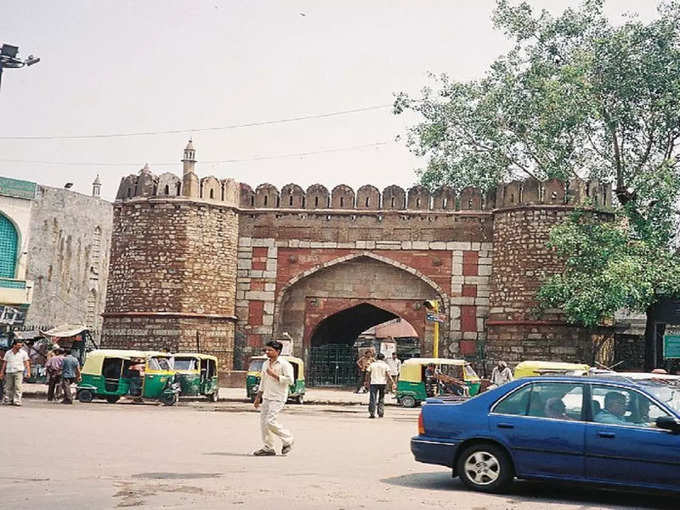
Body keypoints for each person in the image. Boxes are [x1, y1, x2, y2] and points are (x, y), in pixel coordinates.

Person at [253, 340, 294, 456]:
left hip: (278, 396)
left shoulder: (285, 365)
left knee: (270, 421)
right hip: (267, 396)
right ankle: (268, 447)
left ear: (278, 351)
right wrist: (258, 397)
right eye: (266, 350)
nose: (267, 352)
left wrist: (274, 375)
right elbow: (263, 381)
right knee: (264, 423)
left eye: (270, 350)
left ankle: (288, 439)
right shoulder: (265, 364)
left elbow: (290, 380)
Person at [364, 353, 394, 418]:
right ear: (383, 358)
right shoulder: (385, 365)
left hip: (373, 383)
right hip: (383, 383)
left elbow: (367, 373)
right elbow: (388, 375)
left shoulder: (372, 365)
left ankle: (372, 413)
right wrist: (392, 382)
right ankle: (380, 413)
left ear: (377, 358)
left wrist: (366, 381)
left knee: (372, 398)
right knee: (381, 398)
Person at [0, 341, 30, 406]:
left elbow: (26, 362)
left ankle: (17, 400)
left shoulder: (23, 353)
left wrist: (28, 372)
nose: (20, 347)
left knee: (18, 386)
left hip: (19, 371)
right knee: (8, 386)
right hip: (9, 371)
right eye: (18, 345)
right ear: (14, 345)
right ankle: (9, 400)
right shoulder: (8, 353)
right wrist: (2, 372)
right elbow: (5, 363)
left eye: (21, 345)